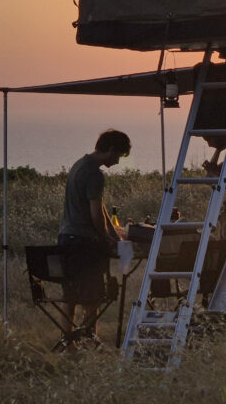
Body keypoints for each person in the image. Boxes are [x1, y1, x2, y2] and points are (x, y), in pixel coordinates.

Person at [57, 129, 131, 341]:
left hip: (66, 238)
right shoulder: (94, 174)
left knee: (69, 294)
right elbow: (95, 212)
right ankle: (91, 340)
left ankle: (68, 341)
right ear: (110, 149)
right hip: (84, 242)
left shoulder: (79, 165)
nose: (117, 161)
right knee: (92, 295)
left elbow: (100, 206)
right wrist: (105, 237)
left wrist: (112, 231)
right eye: (118, 156)